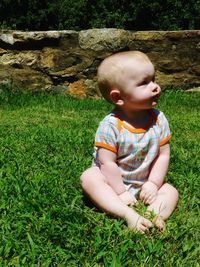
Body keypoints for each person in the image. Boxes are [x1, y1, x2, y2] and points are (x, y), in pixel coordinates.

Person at [80, 51, 178, 233]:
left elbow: (163, 155)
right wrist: (121, 192)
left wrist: (154, 184)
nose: (155, 87)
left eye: (154, 79)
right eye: (144, 83)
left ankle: (153, 215)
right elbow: (106, 163)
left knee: (171, 191)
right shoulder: (110, 125)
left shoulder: (158, 119)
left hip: (145, 182)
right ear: (118, 98)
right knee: (89, 178)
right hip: (112, 182)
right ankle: (127, 214)